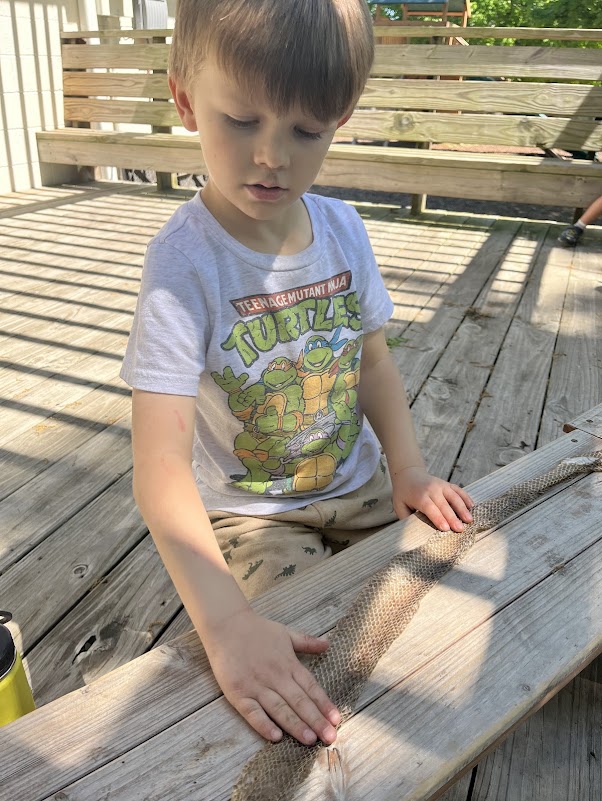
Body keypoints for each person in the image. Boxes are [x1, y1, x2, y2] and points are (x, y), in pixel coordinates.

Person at [120, 0, 473, 750]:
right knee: (312, 671)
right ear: (186, 100)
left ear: (338, 120)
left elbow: (371, 359)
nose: (272, 156)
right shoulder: (184, 264)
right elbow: (158, 466)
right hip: (253, 516)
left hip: (362, 486)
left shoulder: (343, 229)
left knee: (444, 612)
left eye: (305, 130)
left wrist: (409, 469)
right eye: (241, 121)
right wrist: (224, 623)